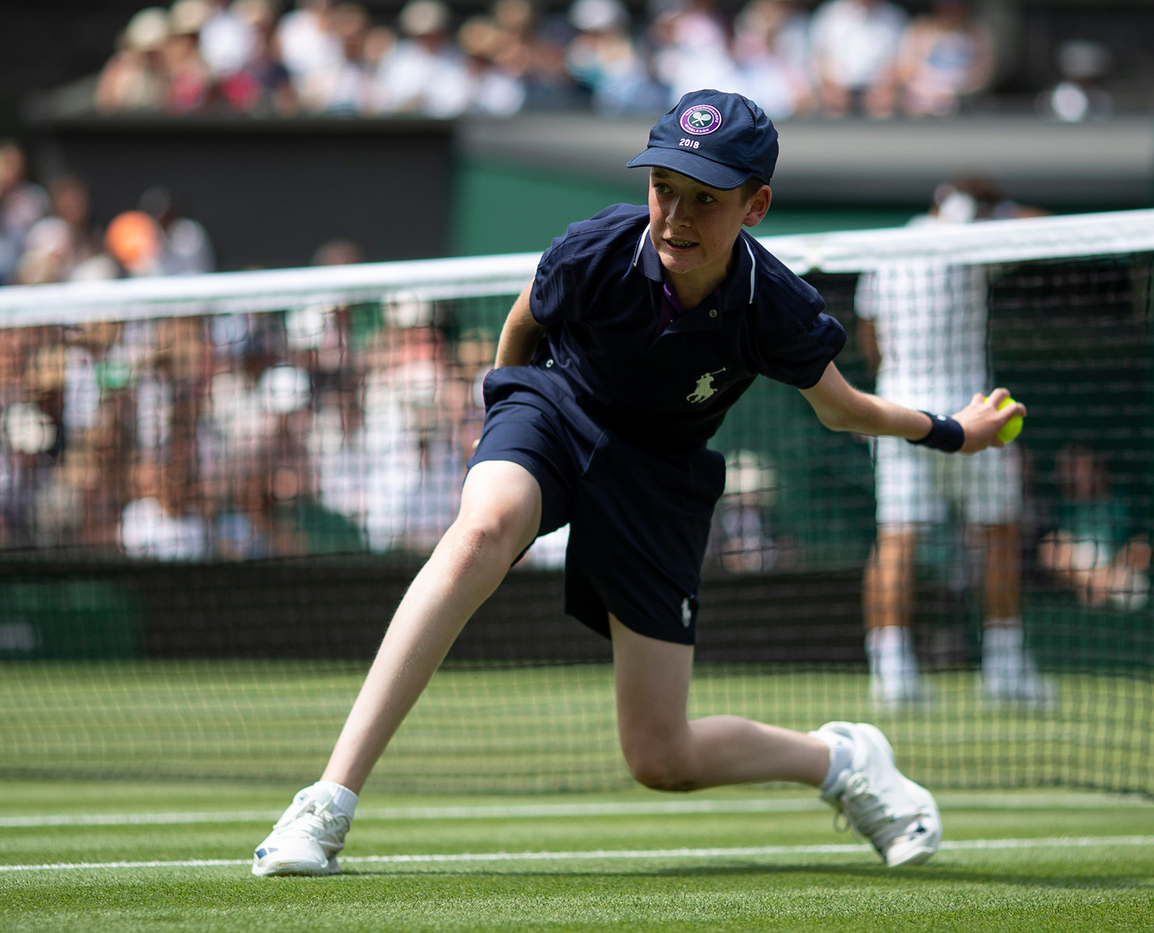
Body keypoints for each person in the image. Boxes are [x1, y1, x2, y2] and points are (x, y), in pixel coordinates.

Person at [251, 90, 1021, 878]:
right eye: (665, 188)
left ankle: (840, 759)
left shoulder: (776, 304)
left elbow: (842, 408)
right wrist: (505, 422)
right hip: (557, 408)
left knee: (662, 756)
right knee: (480, 530)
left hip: (661, 470)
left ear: (755, 205)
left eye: (706, 199)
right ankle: (325, 804)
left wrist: (951, 430)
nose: (677, 217)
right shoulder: (594, 248)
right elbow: (523, 325)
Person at [854, 177, 1047, 708]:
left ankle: (896, 673)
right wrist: (999, 211)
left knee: (903, 538)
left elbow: (869, 338)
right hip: (965, 414)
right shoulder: (971, 243)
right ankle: (997, 671)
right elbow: (1044, 223)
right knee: (989, 533)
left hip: (904, 412)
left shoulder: (886, 253)